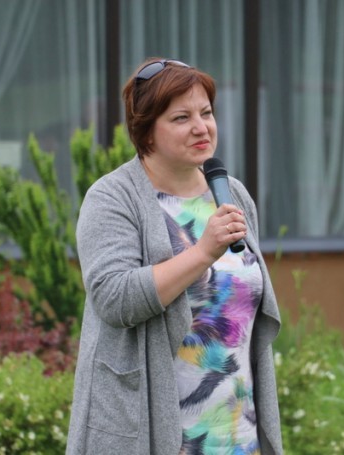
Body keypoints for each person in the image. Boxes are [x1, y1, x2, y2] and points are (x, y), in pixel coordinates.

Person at [66, 58, 283, 455]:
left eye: (206, 113)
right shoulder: (112, 198)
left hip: (237, 437)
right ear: (145, 130)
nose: (201, 127)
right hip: (153, 438)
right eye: (182, 117)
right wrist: (202, 253)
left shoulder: (231, 192)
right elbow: (114, 299)